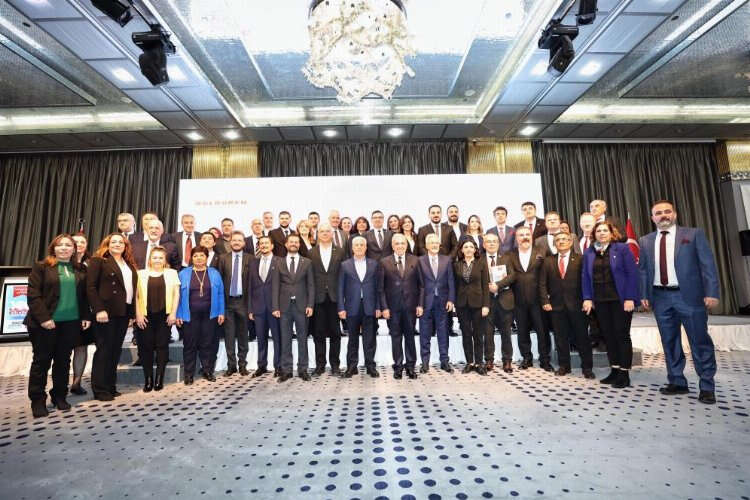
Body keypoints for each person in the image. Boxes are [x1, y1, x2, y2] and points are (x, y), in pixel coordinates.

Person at [639, 200, 720, 404]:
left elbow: (708, 265)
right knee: (669, 341)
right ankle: (677, 381)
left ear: (674, 214)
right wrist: (644, 294)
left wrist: (712, 292)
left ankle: (707, 386)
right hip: (660, 298)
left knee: (699, 341)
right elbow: (643, 270)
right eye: (658, 213)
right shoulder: (645, 240)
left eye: (667, 211)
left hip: (689, 297)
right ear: (652, 218)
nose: (663, 215)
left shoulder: (693, 235)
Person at [25, 234, 91, 417]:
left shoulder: (80, 269)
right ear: (53, 248)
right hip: (45, 323)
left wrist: (86, 316)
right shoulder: (42, 267)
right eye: (60, 245)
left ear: (74, 249)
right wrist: (44, 318)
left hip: (70, 323)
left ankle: (59, 395)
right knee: (42, 362)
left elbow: (83, 296)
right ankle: (38, 400)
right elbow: (33, 295)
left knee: (63, 361)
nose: (64, 248)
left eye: (68, 245)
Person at [582, 221, 639, 389]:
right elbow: (585, 276)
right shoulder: (589, 252)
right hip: (600, 301)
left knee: (621, 335)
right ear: (594, 235)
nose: (601, 233)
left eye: (605, 230)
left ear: (611, 233)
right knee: (608, 336)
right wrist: (587, 298)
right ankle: (614, 370)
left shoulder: (621, 249)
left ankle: (624, 373)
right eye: (598, 231)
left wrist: (630, 297)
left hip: (620, 300)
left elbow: (632, 273)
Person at [87, 233, 138, 401]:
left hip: (123, 312)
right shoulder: (99, 261)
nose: (117, 244)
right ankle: (100, 389)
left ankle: (110, 386)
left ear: (125, 246)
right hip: (105, 312)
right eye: (113, 242)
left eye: (121, 242)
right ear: (107, 245)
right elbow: (91, 287)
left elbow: (131, 290)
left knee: (115, 350)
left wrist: (131, 314)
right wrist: (99, 309)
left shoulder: (128, 264)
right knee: (104, 350)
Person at [539, 233, 595, 379]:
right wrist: (545, 301)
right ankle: (564, 366)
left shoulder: (580, 259)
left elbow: (587, 280)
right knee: (560, 338)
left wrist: (588, 299)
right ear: (554, 244)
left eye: (564, 239)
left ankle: (587, 368)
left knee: (582, 338)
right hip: (556, 307)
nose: (561, 242)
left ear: (570, 242)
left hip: (578, 305)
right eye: (558, 240)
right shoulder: (548, 261)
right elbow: (542, 283)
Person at [176, 247, 225, 385]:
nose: (198, 258)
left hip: (210, 314)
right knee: (189, 344)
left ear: (206, 257)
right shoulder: (183, 274)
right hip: (189, 315)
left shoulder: (214, 273)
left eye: (202, 255)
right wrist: (178, 314)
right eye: (195, 255)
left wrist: (221, 312)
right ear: (191, 258)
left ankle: (207, 370)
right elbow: (177, 296)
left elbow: (220, 294)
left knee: (207, 344)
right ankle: (188, 374)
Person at [378, 234, 423, 380]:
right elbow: (380, 289)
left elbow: (421, 286)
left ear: (406, 245)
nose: (400, 246)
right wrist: (384, 308)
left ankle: (410, 366)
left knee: (410, 337)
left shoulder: (415, 260)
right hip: (392, 308)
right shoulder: (384, 262)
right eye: (397, 243)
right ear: (392, 246)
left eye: (402, 243)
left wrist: (420, 304)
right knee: (396, 338)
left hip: (411, 307)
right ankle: (398, 367)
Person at [134, 247, 180, 391]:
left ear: (164, 260)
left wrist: (173, 314)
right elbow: (136, 296)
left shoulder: (172, 273)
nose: (157, 260)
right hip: (145, 316)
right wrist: (138, 314)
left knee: (162, 346)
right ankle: (148, 380)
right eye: (155, 257)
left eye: (160, 257)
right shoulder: (140, 274)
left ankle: (159, 379)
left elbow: (176, 294)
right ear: (150, 259)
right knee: (146, 347)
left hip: (164, 316)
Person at [272, 234, 314, 382]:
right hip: (284, 307)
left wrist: (310, 305)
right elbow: (275, 286)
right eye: (291, 242)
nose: (294, 244)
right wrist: (275, 307)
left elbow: (311, 285)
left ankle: (303, 369)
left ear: (299, 245)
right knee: (285, 339)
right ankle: (286, 370)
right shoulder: (278, 262)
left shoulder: (307, 262)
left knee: (302, 338)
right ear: (286, 244)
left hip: (302, 306)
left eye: (296, 242)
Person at [509, 226, 552, 371]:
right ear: (516, 238)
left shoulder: (542, 252)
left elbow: (549, 273)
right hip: (518, 300)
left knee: (542, 331)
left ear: (532, 236)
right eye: (521, 235)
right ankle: (526, 358)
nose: (525, 237)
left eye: (527, 234)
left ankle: (545, 360)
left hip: (538, 299)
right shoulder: (510, 255)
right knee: (522, 331)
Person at [338, 236, 381, 378]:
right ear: (352, 248)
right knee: (353, 339)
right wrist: (341, 308)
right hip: (352, 307)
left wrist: (378, 307)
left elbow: (378, 288)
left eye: (362, 245)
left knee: (370, 339)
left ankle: (370, 366)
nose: (359, 247)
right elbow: (340, 288)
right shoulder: (345, 265)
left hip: (370, 306)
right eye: (356, 245)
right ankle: (352, 367)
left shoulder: (374, 264)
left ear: (366, 247)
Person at [309, 223, 345, 375]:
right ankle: (320, 365)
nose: (324, 233)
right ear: (318, 234)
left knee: (336, 333)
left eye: (327, 231)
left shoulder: (341, 251)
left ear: (332, 234)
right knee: (319, 333)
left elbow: (344, 274)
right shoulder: (311, 252)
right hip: (318, 298)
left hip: (335, 297)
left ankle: (335, 365)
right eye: (322, 231)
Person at [417, 234, 456, 372]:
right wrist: (419, 304)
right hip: (425, 302)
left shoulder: (447, 260)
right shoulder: (419, 260)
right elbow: (418, 284)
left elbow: (451, 281)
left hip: (443, 302)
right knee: (424, 333)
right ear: (426, 245)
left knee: (443, 332)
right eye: (431, 243)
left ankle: (444, 361)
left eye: (436, 243)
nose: (434, 245)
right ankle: (425, 362)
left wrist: (451, 299)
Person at [216, 231, 253, 376]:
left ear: (244, 243)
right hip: (228, 303)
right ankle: (231, 366)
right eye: (234, 240)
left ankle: (242, 365)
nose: (236, 242)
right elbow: (219, 283)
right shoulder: (222, 258)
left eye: (239, 240)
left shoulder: (251, 259)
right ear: (230, 242)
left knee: (243, 335)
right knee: (229, 336)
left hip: (244, 302)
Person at [453, 240, 490, 375]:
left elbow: (485, 286)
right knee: (466, 334)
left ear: (475, 249)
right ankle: (469, 362)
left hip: (478, 304)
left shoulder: (481, 264)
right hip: (462, 304)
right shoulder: (456, 265)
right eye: (465, 247)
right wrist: (455, 304)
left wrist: (486, 305)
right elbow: (455, 286)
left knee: (478, 334)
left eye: (471, 247)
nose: (468, 249)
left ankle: (479, 363)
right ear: (461, 250)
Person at [249, 236, 282, 377]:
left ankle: (279, 366)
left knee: (277, 338)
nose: (263, 245)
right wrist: (250, 309)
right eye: (261, 243)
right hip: (258, 308)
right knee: (261, 339)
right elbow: (250, 287)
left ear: (272, 246)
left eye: (266, 243)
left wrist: (279, 306)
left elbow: (283, 286)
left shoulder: (280, 261)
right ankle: (261, 366)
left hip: (275, 308)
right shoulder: (253, 263)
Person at [482, 233, 516, 373]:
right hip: (487, 302)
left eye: (494, 241)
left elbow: (513, 276)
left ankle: (507, 361)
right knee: (488, 333)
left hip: (505, 300)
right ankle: (489, 360)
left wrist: (498, 285)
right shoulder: (480, 260)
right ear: (484, 245)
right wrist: (488, 287)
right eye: (488, 241)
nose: (491, 244)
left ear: (498, 244)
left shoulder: (507, 258)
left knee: (506, 333)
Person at [69, 233, 93, 395]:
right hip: (63, 313)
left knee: (81, 347)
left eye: (82, 242)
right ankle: (59, 385)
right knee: (62, 350)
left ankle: (76, 383)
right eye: (75, 241)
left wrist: (87, 314)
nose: (79, 244)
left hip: (83, 313)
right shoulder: (60, 263)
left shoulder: (90, 264)